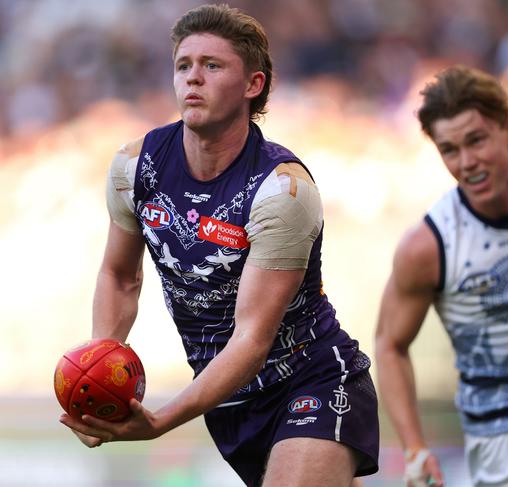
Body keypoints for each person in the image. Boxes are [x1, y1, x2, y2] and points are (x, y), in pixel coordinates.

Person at [59, 4, 379, 486]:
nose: (193, 78)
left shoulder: (282, 190)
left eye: (212, 65)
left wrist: (161, 421)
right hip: (229, 402)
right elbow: (120, 276)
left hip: (311, 379)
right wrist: (106, 364)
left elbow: (252, 340)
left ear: (253, 85)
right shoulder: (135, 167)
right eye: (183, 65)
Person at [375, 64, 508, 487]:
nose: (467, 163)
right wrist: (414, 448)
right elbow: (389, 344)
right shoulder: (427, 246)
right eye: (450, 150)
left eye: (477, 140)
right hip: (496, 442)